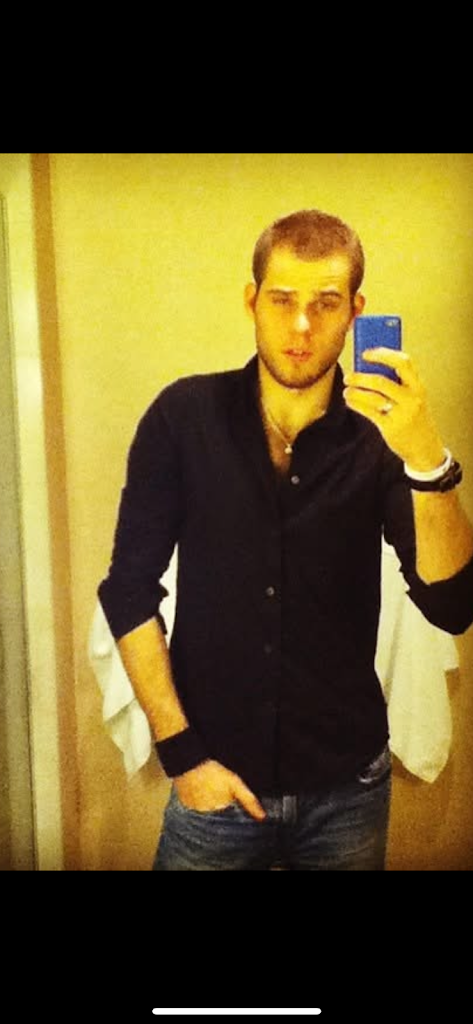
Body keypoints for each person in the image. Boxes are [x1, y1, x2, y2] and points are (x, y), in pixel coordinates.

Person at [98, 209, 473, 870]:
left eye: (325, 303)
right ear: (252, 300)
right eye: (282, 300)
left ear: (355, 311)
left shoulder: (381, 440)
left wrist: (427, 461)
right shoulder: (182, 418)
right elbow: (127, 590)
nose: (301, 325)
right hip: (212, 781)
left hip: (347, 789)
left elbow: (451, 604)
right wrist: (181, 755)